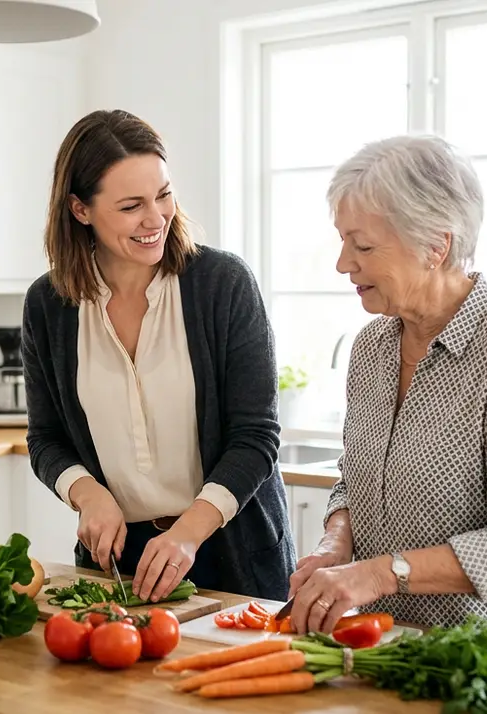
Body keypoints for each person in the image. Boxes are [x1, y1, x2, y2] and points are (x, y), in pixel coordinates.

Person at [285, 134, 487, 648]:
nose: (342, 264)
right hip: (392, 647)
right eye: (342, 241)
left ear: (436, 246)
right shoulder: (372, 348)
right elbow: (355, 481)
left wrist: (376, 574)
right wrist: (337, 544)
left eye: (364, 245)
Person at [22, 109, 295, 602]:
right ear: (80, 210)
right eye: (131, 206)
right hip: (120, 564)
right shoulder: (49, 305)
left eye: (164, 195)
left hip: (228, 549)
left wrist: (188, 532)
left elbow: (256, 436)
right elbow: (46, 439)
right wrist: (88, 495)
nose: (156, 219)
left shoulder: (223, 284)